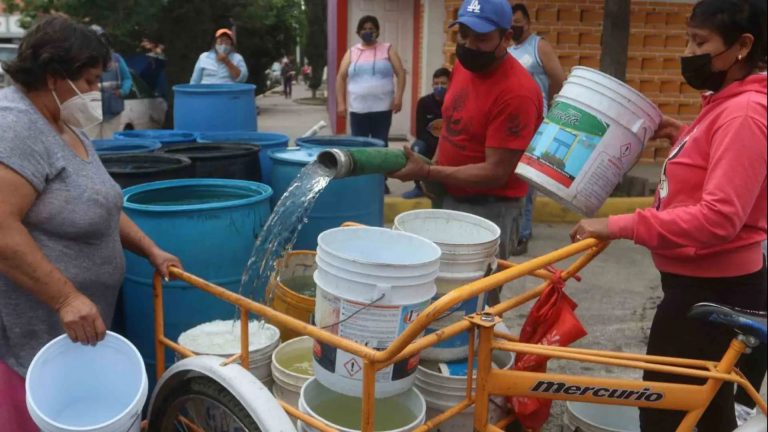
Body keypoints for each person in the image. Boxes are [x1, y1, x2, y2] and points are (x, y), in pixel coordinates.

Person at [571, 1, 767, 430]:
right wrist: (687, 135)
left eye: (700, 42)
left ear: (742, 46)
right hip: (703, 285)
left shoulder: (744, 113)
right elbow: (726, 162)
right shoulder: (728, 103)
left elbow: (720, 218)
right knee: (702, 415)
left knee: (665, 416)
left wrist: (621, 225)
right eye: (688, 38)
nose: (688, 51)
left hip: (712, 293)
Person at [0, 16, 183, 429]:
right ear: (52, 75)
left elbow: (101, 203)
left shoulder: (63, 122)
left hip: (76, 331)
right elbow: (1, 229)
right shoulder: (15, 127)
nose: (92, 92)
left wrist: (149, 248)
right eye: (86, 80)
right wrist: (66, 298)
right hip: (35, 341)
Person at [389, 0, 543, 306]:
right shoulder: (464, 65)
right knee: (432, 296)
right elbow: (460, 119)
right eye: (464, 34)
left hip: (489, 210)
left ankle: (473, 354)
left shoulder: (518, 93)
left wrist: (429, 171)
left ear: (507, 38)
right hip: (447, 195)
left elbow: (495, 172)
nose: (469, 45)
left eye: (482, 38)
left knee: (473, 305)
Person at [508, 3, 566, 256]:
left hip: (534, 121)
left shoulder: (538, 46)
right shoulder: (508, 48)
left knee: (526, 180)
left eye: (518, 22)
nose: (514, 27)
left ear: (528, 23)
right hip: (511, 122)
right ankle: (513, 226)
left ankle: (523, 232)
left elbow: (558, 78)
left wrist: (546, 102)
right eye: (510, 23)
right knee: (510, 175)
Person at [336, 15, 407, 147]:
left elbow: (401, 73)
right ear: (358, 32)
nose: (368, 31)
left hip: (382, 108)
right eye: (364, 29)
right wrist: (341, 103)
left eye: (371, 29)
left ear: (377, 31)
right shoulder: (352, 52)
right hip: (358, 109)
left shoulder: (388, 49)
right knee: (359, 146)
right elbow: (340, 77)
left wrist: (399, 98)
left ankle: (381, 168)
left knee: (380, 145)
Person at [402, 67, 451, 199]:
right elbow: (420, 132)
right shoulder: (424, 103)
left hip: (450, 143)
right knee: (417, 147)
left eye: (443, 83)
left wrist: (443, 146)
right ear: (432, 85)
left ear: (451, 84)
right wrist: (436, 146)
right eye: (436, 84)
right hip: (430, 142)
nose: (439, 87)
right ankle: (418, 187)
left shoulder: (455, 102)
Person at [85, 25, 133, 140]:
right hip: (90, 110)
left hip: (112, 109)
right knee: (92, 143)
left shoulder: (116, 59)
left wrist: (123, 91)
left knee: (108, 142)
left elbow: (127, 78)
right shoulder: (83, 60)